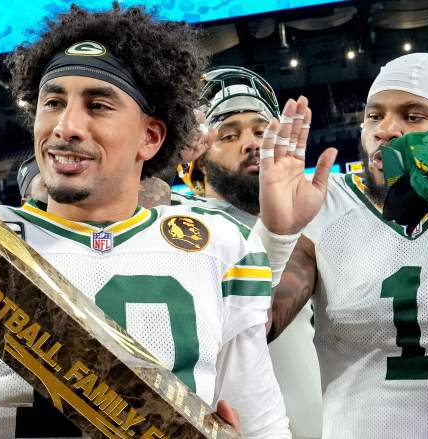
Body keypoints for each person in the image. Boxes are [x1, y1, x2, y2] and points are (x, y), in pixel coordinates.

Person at [0, 1, 337, 438]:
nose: (65, 126)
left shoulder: (221, 244)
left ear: (150, 137)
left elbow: (263, 427)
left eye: (98, 105)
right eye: (53, 102)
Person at [268, 52, 428, 438]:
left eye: (413, 116)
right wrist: (277, 236)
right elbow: (257, 326)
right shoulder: (324, 204)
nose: (385, 130)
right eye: (374, 115)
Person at [176, 66, 323, 439]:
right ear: (195, 157)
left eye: (261, 131)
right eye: (229, 135)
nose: (253, 143)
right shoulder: (179, 225)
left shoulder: (308, 222)